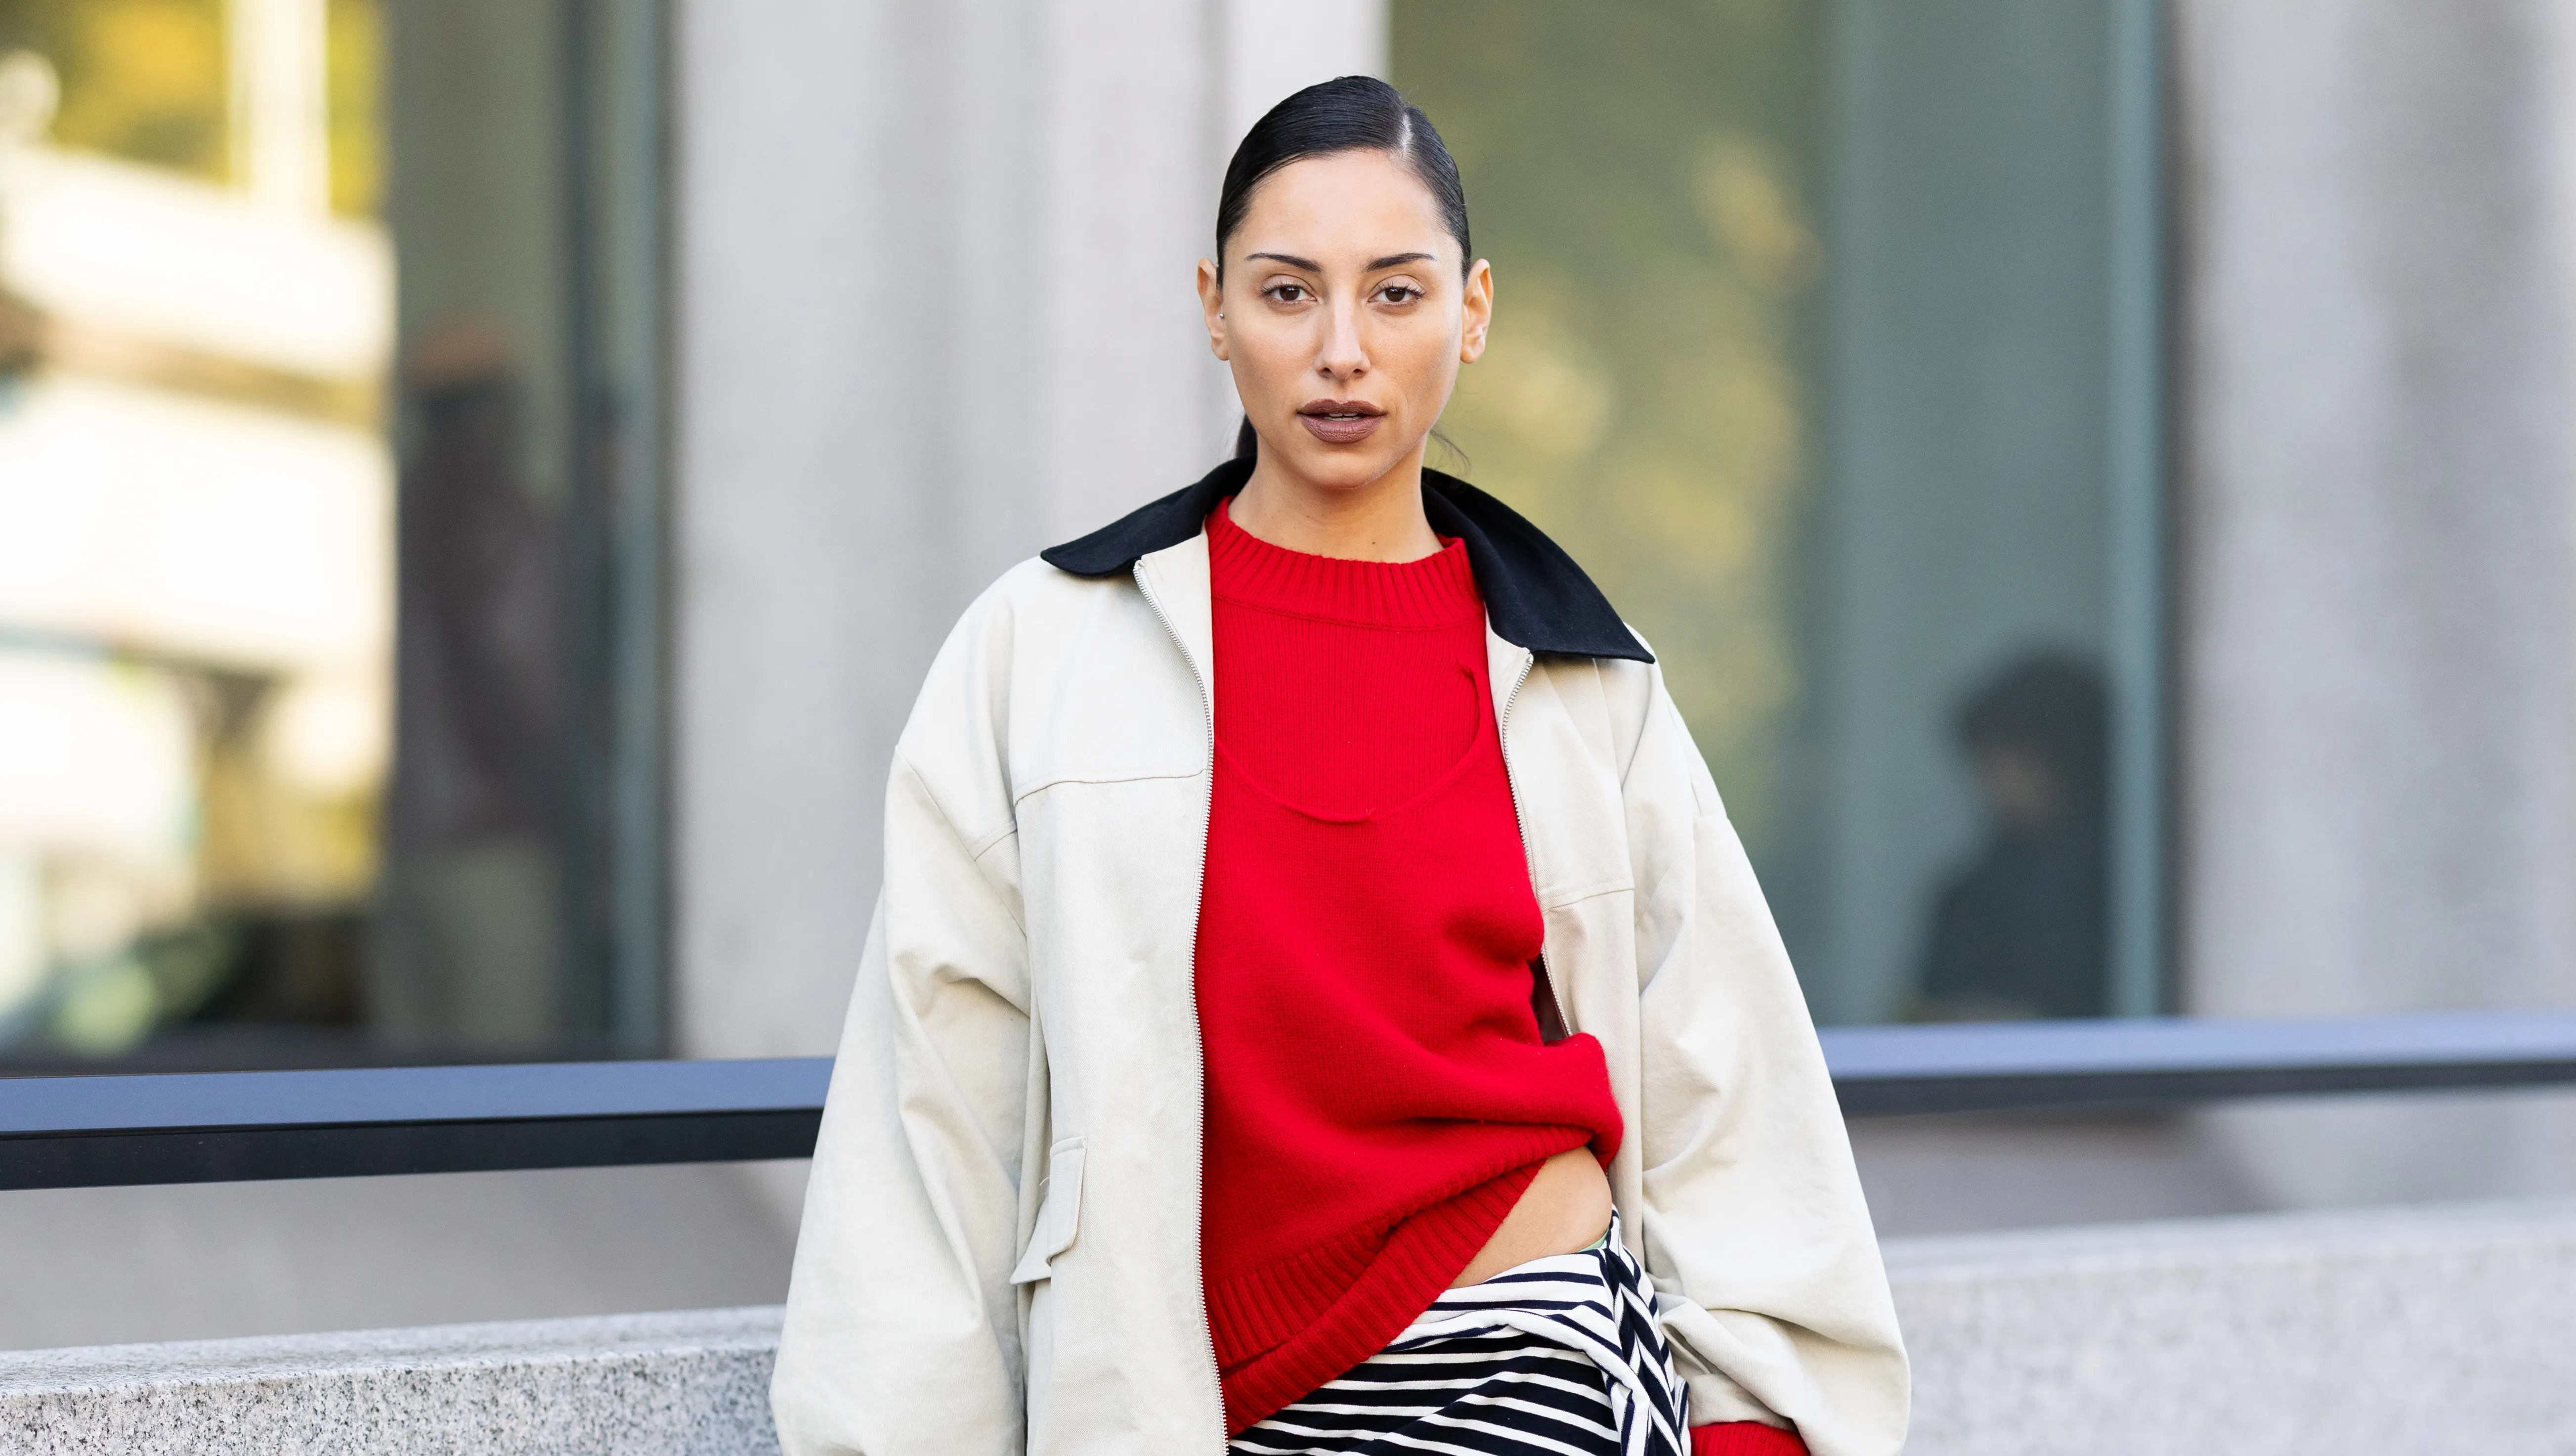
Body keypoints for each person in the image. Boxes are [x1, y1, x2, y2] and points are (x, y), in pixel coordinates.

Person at [772, 77, 1906, 1456]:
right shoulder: (1044, 650)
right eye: (1288, 292)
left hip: (1535, 1373)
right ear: (1211, 307)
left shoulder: (1581, 676)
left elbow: (1727, 1081)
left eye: (1396, 293)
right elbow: (931, 1112)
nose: (1341, 352)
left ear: (1472, 312)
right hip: (1194, 1402)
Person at [1915, 652, 2110, 1022]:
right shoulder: (1973, 894)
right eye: (1987, 762)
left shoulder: (2123, 886)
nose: (1994, 782)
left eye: (2012, 760)